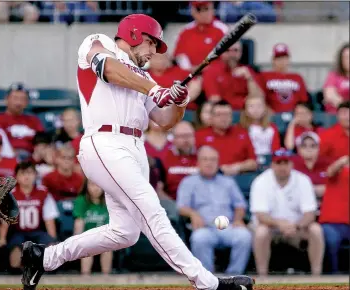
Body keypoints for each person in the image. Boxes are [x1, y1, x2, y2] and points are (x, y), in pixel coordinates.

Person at [20, 14, 254, 290]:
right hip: (104, 141)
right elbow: (107, 68)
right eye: (151, 43)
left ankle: (43, 256)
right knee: (152, 210)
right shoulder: (99, 43)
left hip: (134, 147)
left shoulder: (142, 76)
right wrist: (156, 90)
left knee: (125, 233)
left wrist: (179, 101)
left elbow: (164, 121)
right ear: (133, 34)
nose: (154, 51)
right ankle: (208, 283)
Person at [177, 146, 252, 275]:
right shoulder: (188, 182)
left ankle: (234, 276)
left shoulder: (228, 182)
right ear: (198, 162)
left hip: (228, 226)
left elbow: (240, 205)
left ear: (218, 163)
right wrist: (193, 213)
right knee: (199, 238)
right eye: (205, 159)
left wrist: (239, 219)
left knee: (244, 236)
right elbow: (181, 207)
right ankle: (207, 278)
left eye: (213, 159)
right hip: (205, 227)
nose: (209, 163)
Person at [250, 148, 324, 276]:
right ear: (272, 164)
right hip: (270, 228)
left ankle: (316, 276)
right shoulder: (261, 181)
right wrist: (280, 224)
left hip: (297, 228)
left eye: (286, 163)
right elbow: (261, 215)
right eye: (279, 163)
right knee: (261, 232)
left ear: (292, 164)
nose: (282, 167)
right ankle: (263, 276)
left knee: (316, 229)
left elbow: (310, 214)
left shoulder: (302, 179)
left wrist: (296, 226)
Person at [202, 41, 264, 110]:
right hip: (223, 112)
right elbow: (215, 100)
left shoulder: (248, 70)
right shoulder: (211, 71)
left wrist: (249, 78)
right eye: (227, 50)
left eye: (236, 50)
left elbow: (259, 98)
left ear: (241, 52)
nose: (232, 54)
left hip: (247, 113)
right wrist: (244, 102)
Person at [73, 180, 113, 275]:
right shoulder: (81, 200)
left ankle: (106, 277)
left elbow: (113, 222)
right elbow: (79, 221)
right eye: (92, 185)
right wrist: (77, 239)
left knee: (108, 247)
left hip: (105, 235)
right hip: (87, 235)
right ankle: (85, 277)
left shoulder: (110, 200)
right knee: (87, 246)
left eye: (98, 185)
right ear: (86, 186)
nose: (95, 188)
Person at [319, 155, 349, 274]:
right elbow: (330, 172)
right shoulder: (340, 170)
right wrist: (342, 160)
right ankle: (332, 276)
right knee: (332, 240)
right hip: (331, 223)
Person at [260, 43, 309, 113]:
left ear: (289, 59)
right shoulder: (264, 76)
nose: (282, 61)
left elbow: (303, 101)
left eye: (284, 58)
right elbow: (259, 97)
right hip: (270, 116)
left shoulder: (297, 77)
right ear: (273, 60)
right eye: (278, 58)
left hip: (294, 115)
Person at [323, 42, 349, 113]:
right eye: (346, 57)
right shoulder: (333, 75)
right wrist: (346, 109)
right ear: (341, 60)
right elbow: (330, 96)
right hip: (336, 114)